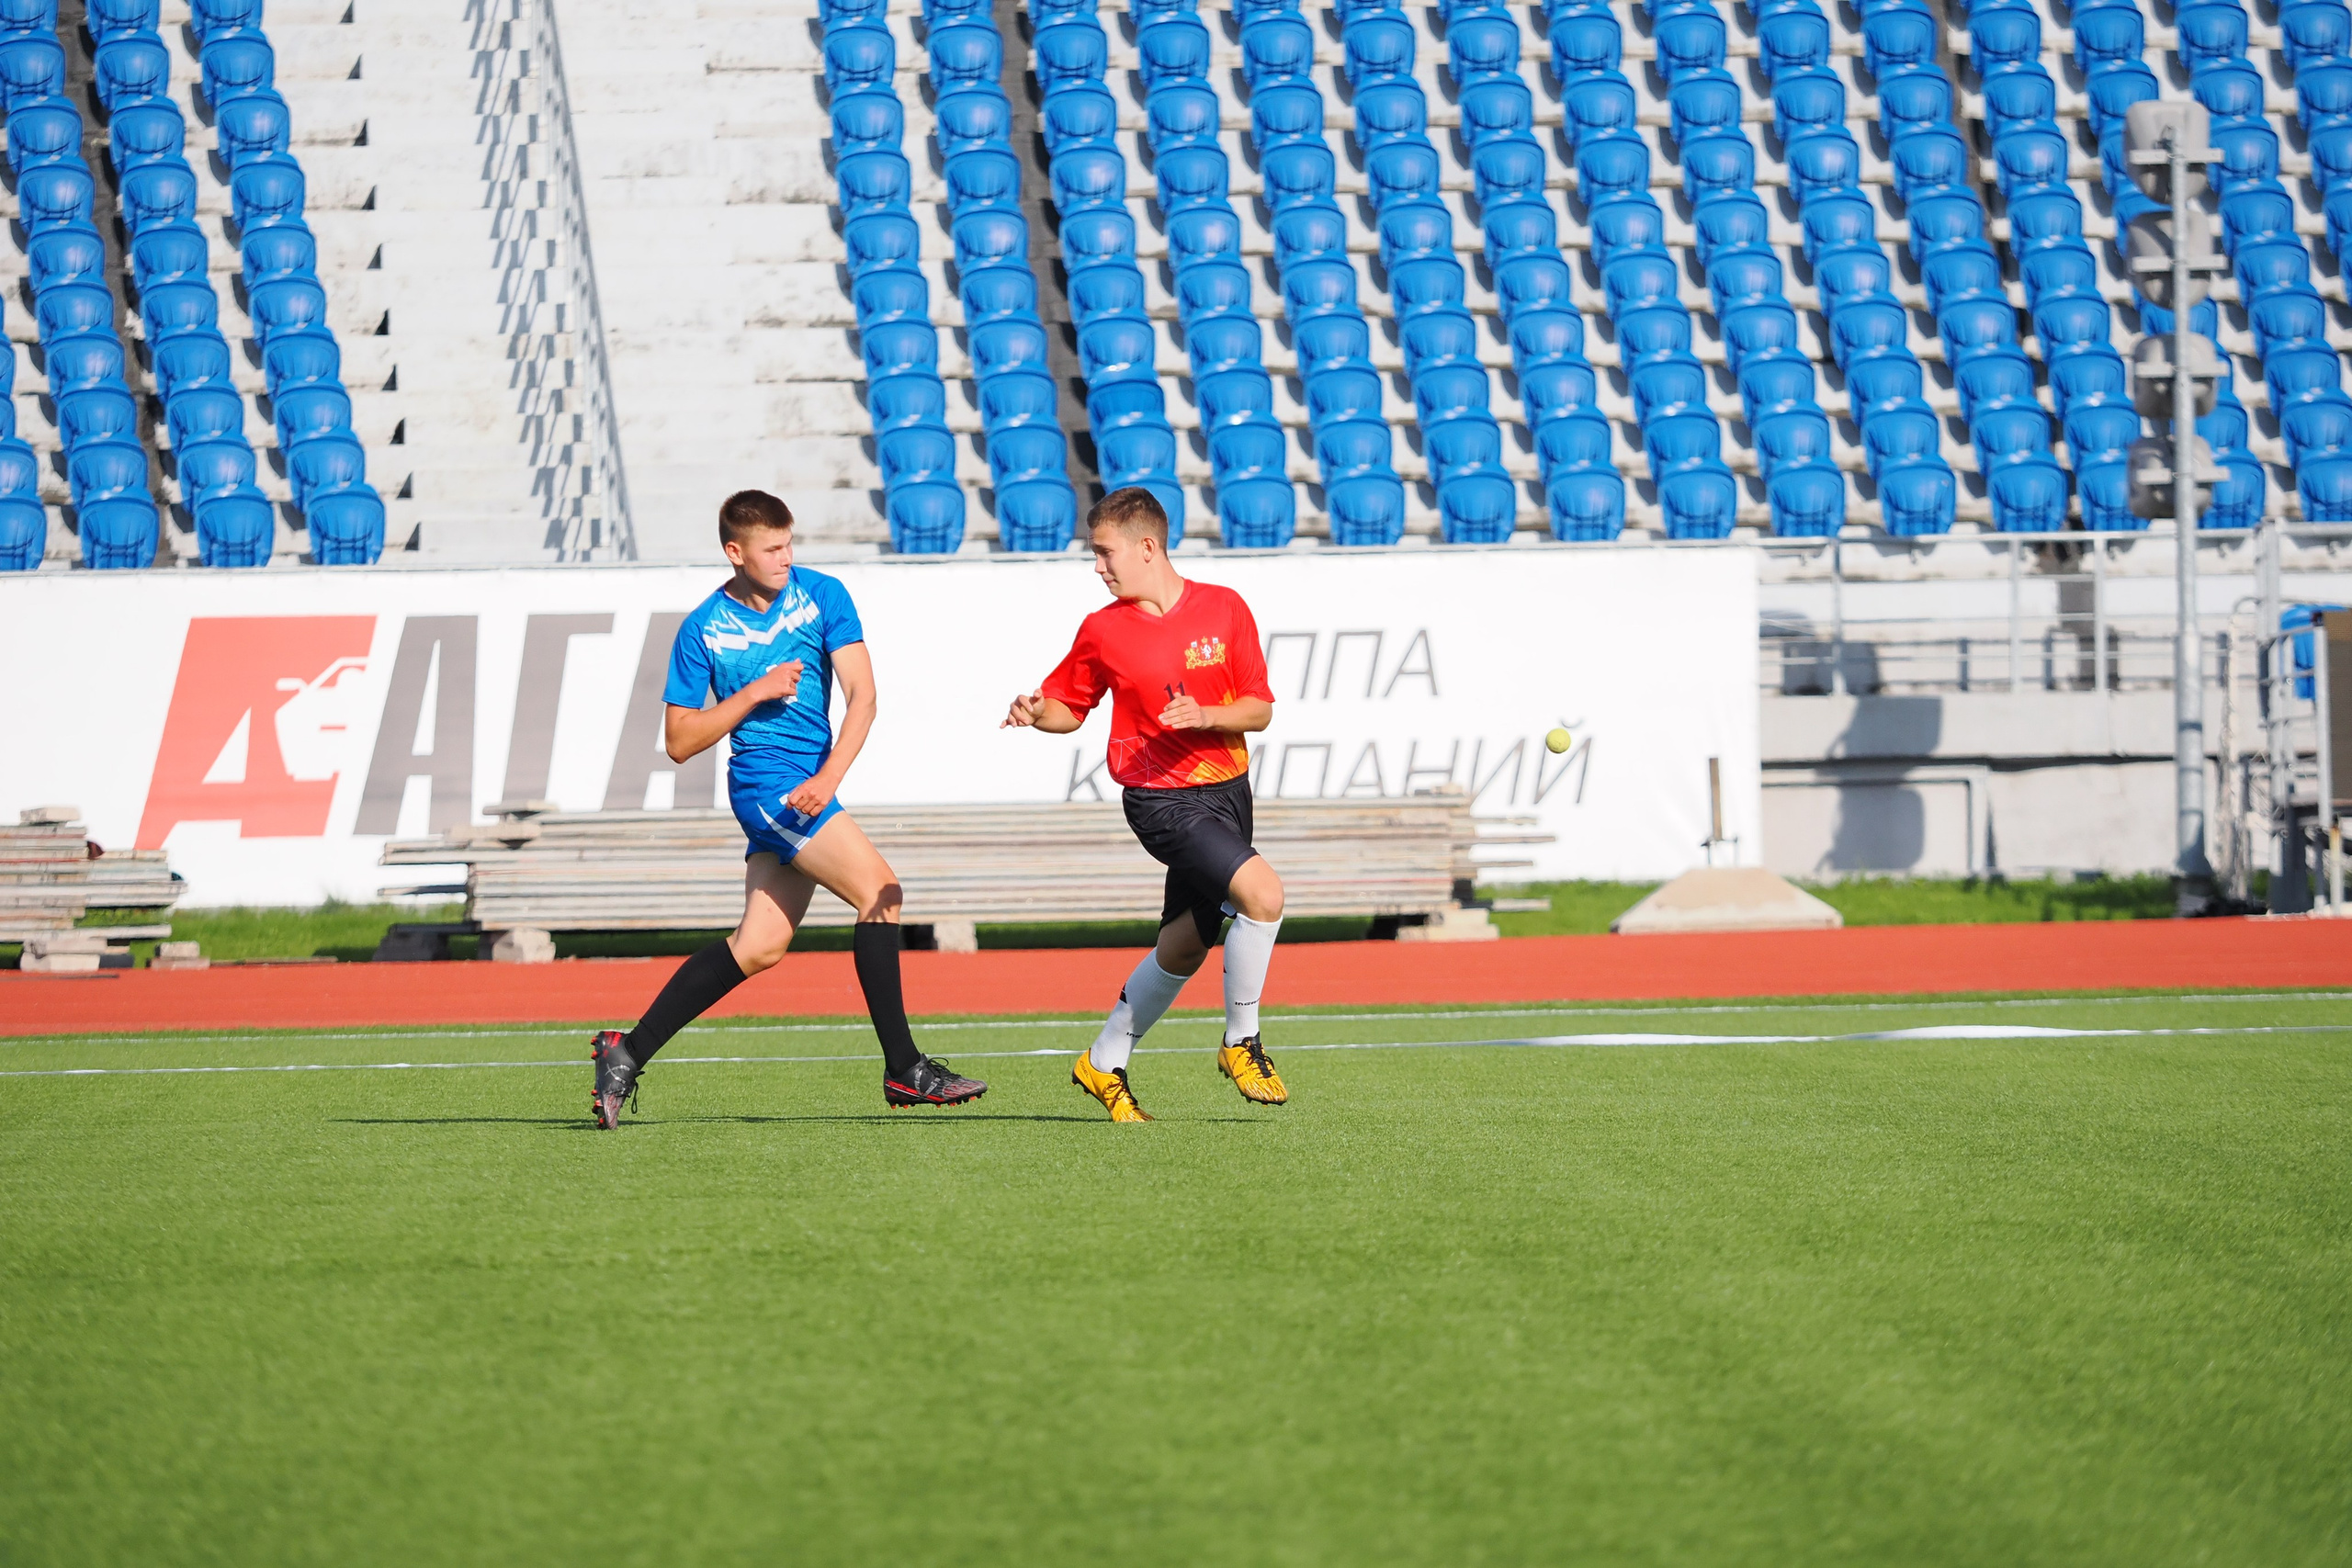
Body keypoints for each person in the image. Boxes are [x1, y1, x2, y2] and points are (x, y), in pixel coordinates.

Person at [590, 490, 985, 1127]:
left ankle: (625, 1051)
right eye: (771, 548)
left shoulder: (822, 595)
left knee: (760, 945)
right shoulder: (702, 629)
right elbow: (680, 742)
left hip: (809, 784)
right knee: (880, 890)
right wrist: (753, 692)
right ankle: (905, 1068)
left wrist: (830, 777)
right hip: (766, 786)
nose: (785, 557)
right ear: (734, 552)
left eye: (789, 543)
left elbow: (864, 697)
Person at [1002, 486, 1287, 1122]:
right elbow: (1068, 707)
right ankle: (1241, 1042)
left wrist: (1207, 714)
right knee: (1264, 896)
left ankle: (1103, 1062)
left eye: (1105, 553)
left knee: (1186, 948)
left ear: (1148, 546)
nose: (1098, 567)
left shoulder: (1225, 608)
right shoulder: (1102, 630)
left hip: (1228, 793)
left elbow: (1259, 708)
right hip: (1160, 800)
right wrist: (1036, 711)